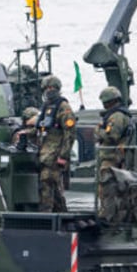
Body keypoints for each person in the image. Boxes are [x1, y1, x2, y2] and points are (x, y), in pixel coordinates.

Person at [94, 86, 135, 222]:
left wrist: (98, 131)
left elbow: (112, 136)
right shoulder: (119, 114)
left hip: (112, 158)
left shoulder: (116, 116)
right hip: (114, 157)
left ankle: (108, 216)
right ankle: (113, 215)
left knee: (107, 189)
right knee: (111, 189)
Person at [35, 75, 76, 213]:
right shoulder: (47, 107)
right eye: (47, 88)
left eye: (52, 87)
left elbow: (70, 134)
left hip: (55, 154)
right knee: (54, 187)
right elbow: (41, 128)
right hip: (45, 153)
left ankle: (45, 215)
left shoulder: (63, 108)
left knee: (46, 184)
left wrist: (63, 156)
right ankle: (63, 215)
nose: (49, 90)